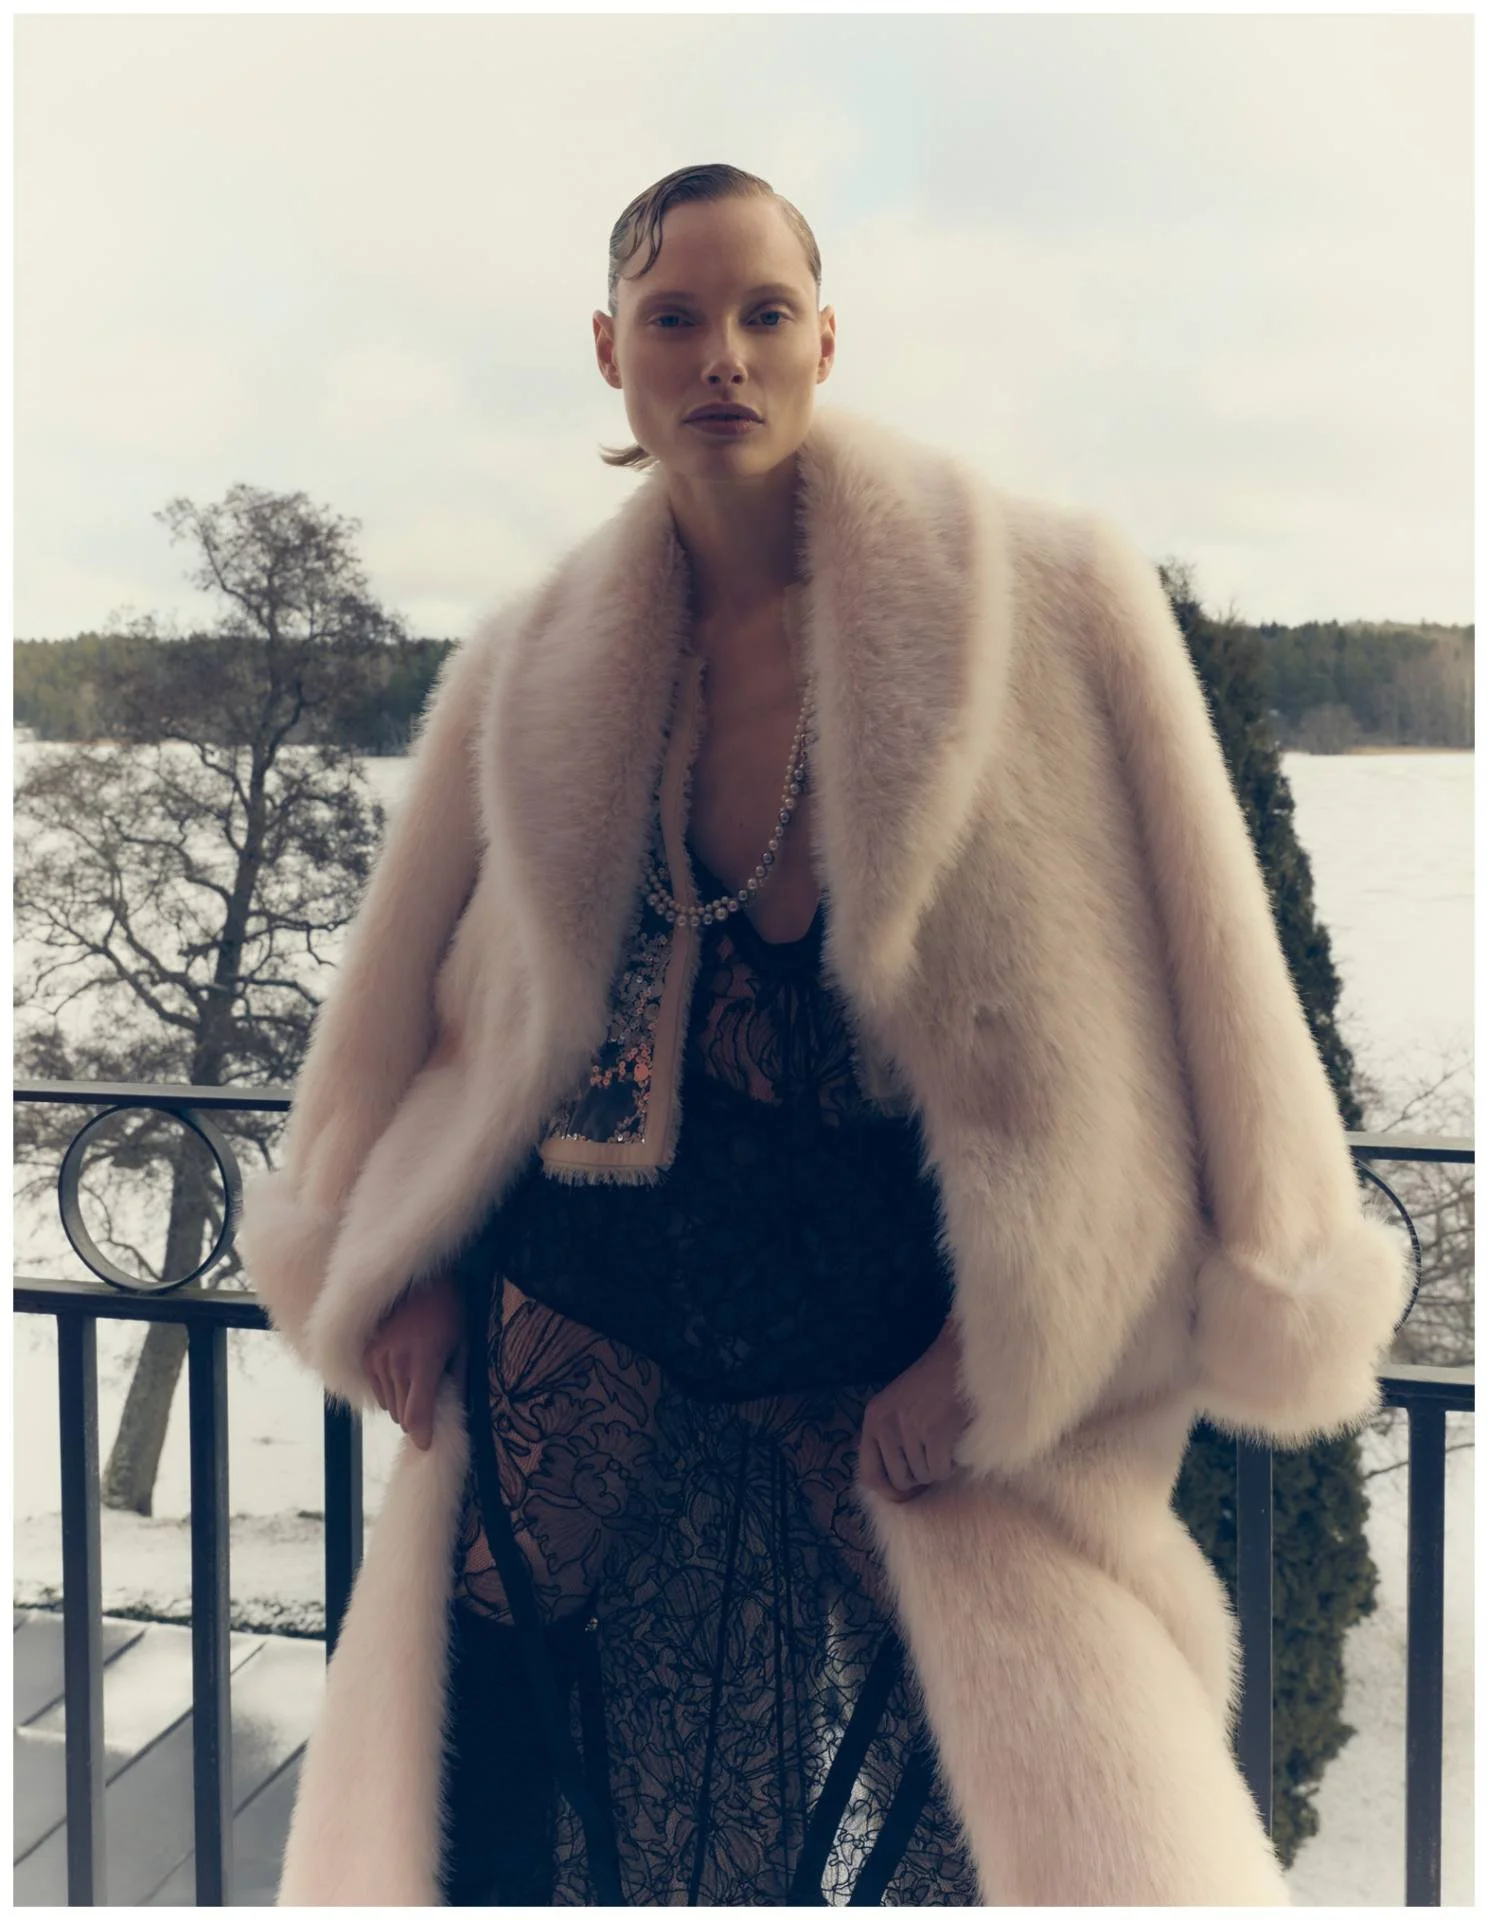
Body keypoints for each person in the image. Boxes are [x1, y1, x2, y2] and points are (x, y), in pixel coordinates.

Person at [239, 163, 1409, 1907]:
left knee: (1018, 1814)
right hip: (583, 1300)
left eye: (764, 310)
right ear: (610, 350)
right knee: (503, 1771)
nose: (724, 351)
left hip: (898, 1344)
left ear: (825, 335)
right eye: (676, 314)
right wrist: (380, 1262)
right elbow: (406, 1011)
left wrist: (1015, 1346)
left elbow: (1207, 989)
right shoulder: (527, 659)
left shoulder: (1053, 599)